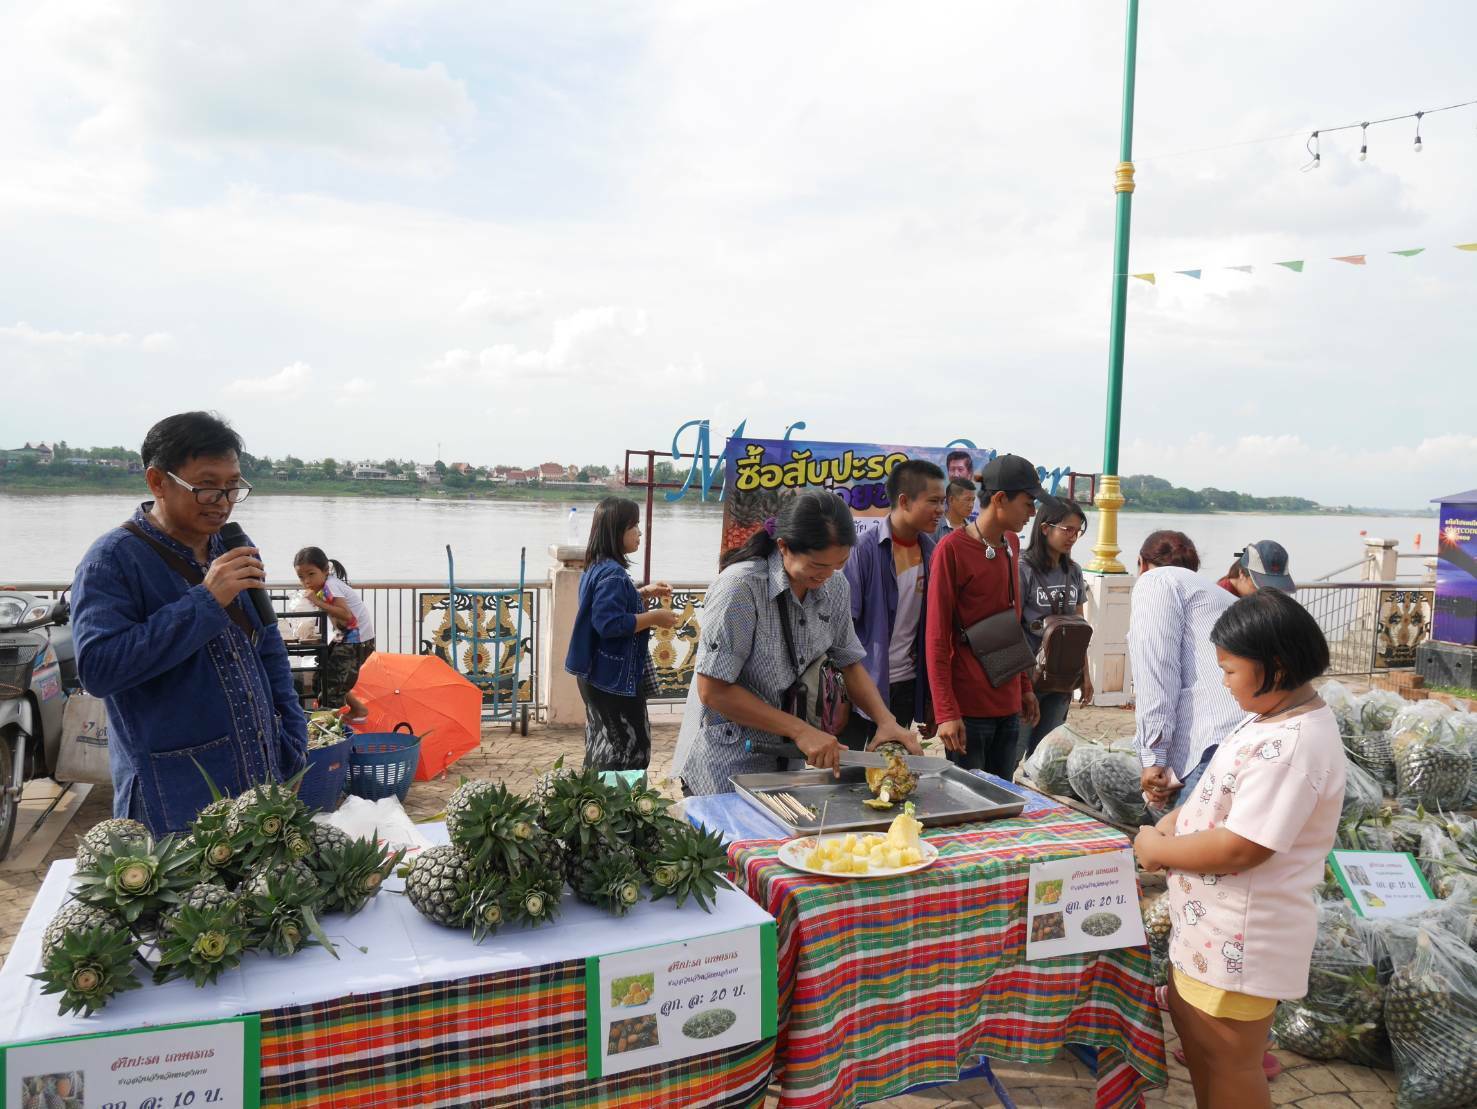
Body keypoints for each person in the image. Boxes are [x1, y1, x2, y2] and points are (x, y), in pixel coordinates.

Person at [1133, 590, 1342, 1109]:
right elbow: (1213, 795)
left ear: (1274, 666)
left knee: (1230, 1063)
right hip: (1210, 932)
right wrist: (1168, 825)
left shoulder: (1292, 744)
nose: (1223, 684)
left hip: (1241, 942)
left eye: (1229, 671)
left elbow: (1241, 848)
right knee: (1203, 1052)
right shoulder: (1269, 716)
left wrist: (1159, 852)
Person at [70, 411, 308, 835]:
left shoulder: (233, 544)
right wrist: (206, 601)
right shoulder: (112, 560)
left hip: (261, 782)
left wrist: (293, 736)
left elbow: (267, 643)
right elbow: (98, 669)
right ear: (157, 482)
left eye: (233, 486)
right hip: (175, 798)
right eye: (206, 486)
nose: (223, 500)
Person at [670, 491, 922, 795]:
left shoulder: (835, 586)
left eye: (838, 564)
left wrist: (886, 721)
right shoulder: (740, 589)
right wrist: (801, 730)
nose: (827, 576)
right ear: (783, 546)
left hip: (785, 762)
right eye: (817, 566)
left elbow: (849, 662)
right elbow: (713, 691)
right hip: (724, 762)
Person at [926, 454, 1044, 777]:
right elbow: (936, 637)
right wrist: (946, 712)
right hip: (968, 713)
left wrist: (1024, 686)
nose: (1032, 512)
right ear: (1001, 499)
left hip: (1008, 708)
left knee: (1004, 805)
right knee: (971, 813)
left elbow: (1011, 622)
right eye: (1028, 503)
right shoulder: (951, 550)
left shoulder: (1011, 544)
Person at [1128, 531, 1243, 814]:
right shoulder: (1218, 595)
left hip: (1215, 743)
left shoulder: (1156, 582)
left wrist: (1153, 757)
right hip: (1252, 736)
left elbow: (1157, 671)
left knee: (1192, 853)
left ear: (1141, 563)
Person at [564, 497, 678, 770]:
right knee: (630, 751)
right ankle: (621, 808)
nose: (639, 533)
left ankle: (594, 806)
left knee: (602, 746)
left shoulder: (597, 567)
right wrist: (654, 618)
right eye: (634, 526)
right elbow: (609, 623)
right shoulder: (613, 574)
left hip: (597, 674)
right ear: (616, 531)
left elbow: (606, 608)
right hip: (612, 679)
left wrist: (643, 592)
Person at [840, 460, 946, 749]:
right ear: (904, 501)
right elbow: (841, 629)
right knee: (848, 776)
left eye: (943, 502)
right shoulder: (863, 551)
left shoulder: (932, 553)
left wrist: (930, 697)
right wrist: (841, 694)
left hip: (906, 686)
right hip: (861, 687)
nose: (940, 510)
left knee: (890, 772)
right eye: (933, 501)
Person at [1019, 497, 1093, 754]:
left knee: (1046, 757)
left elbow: (1079, 627)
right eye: (1067, 529)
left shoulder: (1073, 571)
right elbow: (1013, 628)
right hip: (1029, 677)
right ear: (1045, 528)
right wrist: (1021, 684)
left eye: (1077, 531)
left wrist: (1085, 674)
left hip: (1062, 679)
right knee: (1014, 752)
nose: (1073, 537)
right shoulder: (1023, 569)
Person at [293, 547, 374, 723]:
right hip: (344, 636)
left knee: (332, 686)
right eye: (301, 577)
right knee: (323, 676)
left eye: (311, 574)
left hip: (356, 640)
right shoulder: (324, 586)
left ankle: (330, 732)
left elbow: (346, 615)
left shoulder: (330, 586)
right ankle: (358, 709)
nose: (306, 581)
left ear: (325, 570)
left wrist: (317, 601)